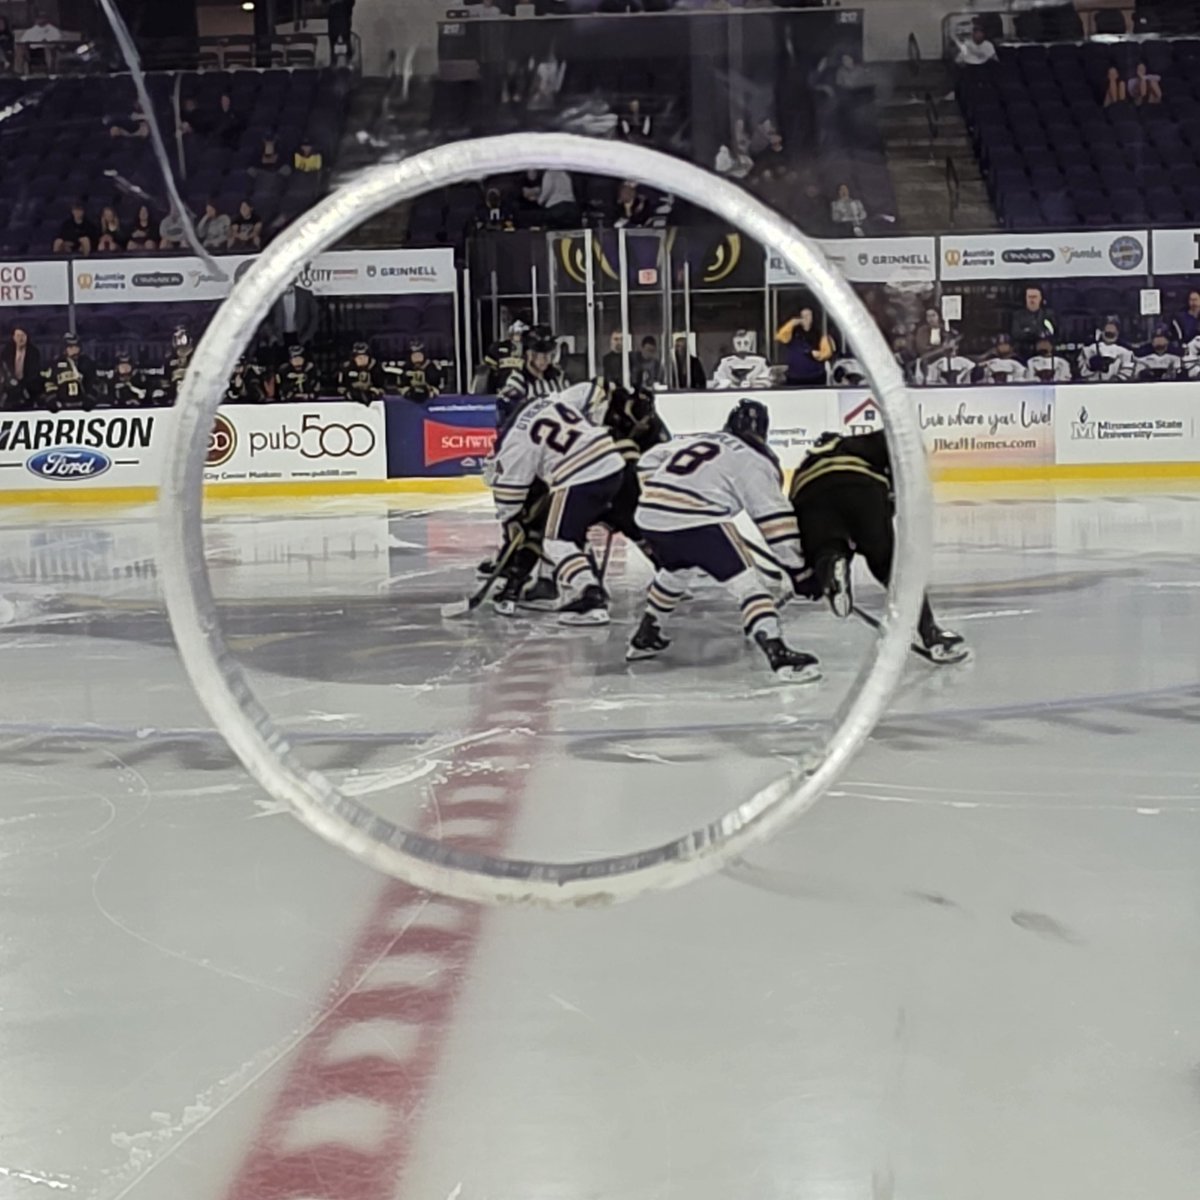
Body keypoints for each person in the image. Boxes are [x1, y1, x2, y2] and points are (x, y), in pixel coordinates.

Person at [629, 399, 820, 681]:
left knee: (676, 570)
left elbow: (647, 461)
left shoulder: (702, 438)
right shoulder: (755, 461)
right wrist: (798, 570)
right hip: (697, 520)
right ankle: (779, 654)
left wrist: (659, 490)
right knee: (747, 583)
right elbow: (775, 522)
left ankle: (647, 633)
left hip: (649, 517)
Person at [788, 428, 967, 664]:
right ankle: (930, 633)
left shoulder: (804, 465)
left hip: (810, 494)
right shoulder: (859, 443)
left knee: (827, 546)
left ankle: (830, 564)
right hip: (859, 485)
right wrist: (894, 495)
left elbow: (793, 517)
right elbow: (900, 441)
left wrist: (810, 575)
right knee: (891, 566)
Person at [490, 379, 629, 625]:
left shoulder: (515, 437)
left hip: (579, 475)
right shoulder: (550, 400)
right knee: (571, 531)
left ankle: (591, 600)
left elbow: (509, 491)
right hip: (614, 462)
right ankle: (592, 584)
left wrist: (512, 520)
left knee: (555, 540)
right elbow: (595, 391)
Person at [774, 309, 834, 387]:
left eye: (808, 315)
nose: (805, 317)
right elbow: (780, 337)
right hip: (795, 377)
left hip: (815, 377)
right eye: (803, 315)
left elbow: (827, 352)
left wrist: (819, 355)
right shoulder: (792, 333)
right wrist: (792, 323)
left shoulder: (819, 334)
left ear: (812, 318)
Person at [46, 333, 99, 413]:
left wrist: (90, 398)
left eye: (76, 347)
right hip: (62, 407)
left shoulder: (87, 362)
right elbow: (50, 383)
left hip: (83, 407)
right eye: (70, 347)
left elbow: (94, 382)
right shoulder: (56, 364)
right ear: (65, 349)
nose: (74, 350)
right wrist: (52, 399)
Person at [1078, 317, 1134, 382]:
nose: (1110, 332)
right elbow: (1082, 372)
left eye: (1112, 333)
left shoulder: (1126, 353)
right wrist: (1091, 366)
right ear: (1101, 331)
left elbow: (1127, 372)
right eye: (1108, 332)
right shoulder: (1088, 351)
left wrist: (1115, 380)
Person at [481, 318, 528, 394]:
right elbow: (487, 369)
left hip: (526, 390)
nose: (520, 337)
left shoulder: (532, 350)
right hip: (501, 389)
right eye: (517, 333)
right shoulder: (498, 348)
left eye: (523, 335)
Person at [0, 328, 43, 410]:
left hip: (28, 388)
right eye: (18, 336)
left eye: (23, 335)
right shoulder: (6, 352)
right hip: (10, 388)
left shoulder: (34, 352)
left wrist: (22, 387)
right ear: (13, 337)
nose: (21, 338)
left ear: (27, 337)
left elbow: (34, 374)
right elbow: (4, 370)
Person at [1010, 286, 1057, 359]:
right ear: (1025, 298)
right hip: (1023, 353)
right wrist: (1037, 333)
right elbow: (1016, 334)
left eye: (1034, 297)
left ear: (1040, 298)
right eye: (1029, 297)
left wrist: (1028, 331)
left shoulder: (1048, 314)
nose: (1032, 300)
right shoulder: (1018, 315)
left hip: (1045, 352)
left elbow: (1053, 332)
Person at [338, 341, 386, 406]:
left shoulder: (376, 368)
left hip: (373, 401)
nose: (362, 359)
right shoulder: (346, 367)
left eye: (364, 357)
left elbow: (382, 388)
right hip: (351, 401)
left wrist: (374, 391)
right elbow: (340, 387)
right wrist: (348, 392)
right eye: (359, 357)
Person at [161, 326, 194, 404]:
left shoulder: (197, 355)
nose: (180, 339)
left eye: (182, 335)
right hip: (174, 393)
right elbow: (166, 378)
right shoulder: (170, 358)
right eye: (177, 337)